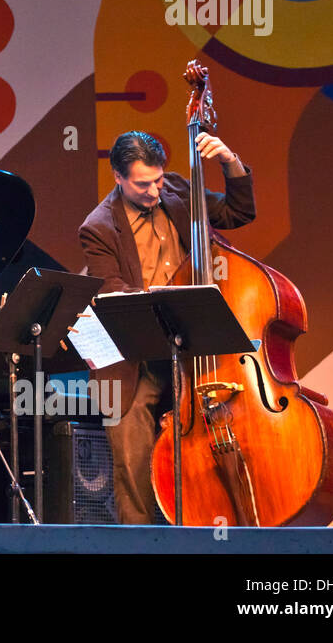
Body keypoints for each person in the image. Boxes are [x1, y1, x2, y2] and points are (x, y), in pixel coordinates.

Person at [78, 130, 255, 523]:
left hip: (194, 348)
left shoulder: (176, 189)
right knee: (132, 456)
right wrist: (153, 299)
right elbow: (111, 292)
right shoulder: (99, 226)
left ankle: (227, 529)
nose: (155, 191)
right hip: (134, 356)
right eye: (143, 184)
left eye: (158, 179)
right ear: (118, 177)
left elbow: (237, 213)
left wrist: (230, 161)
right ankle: (142, 545)